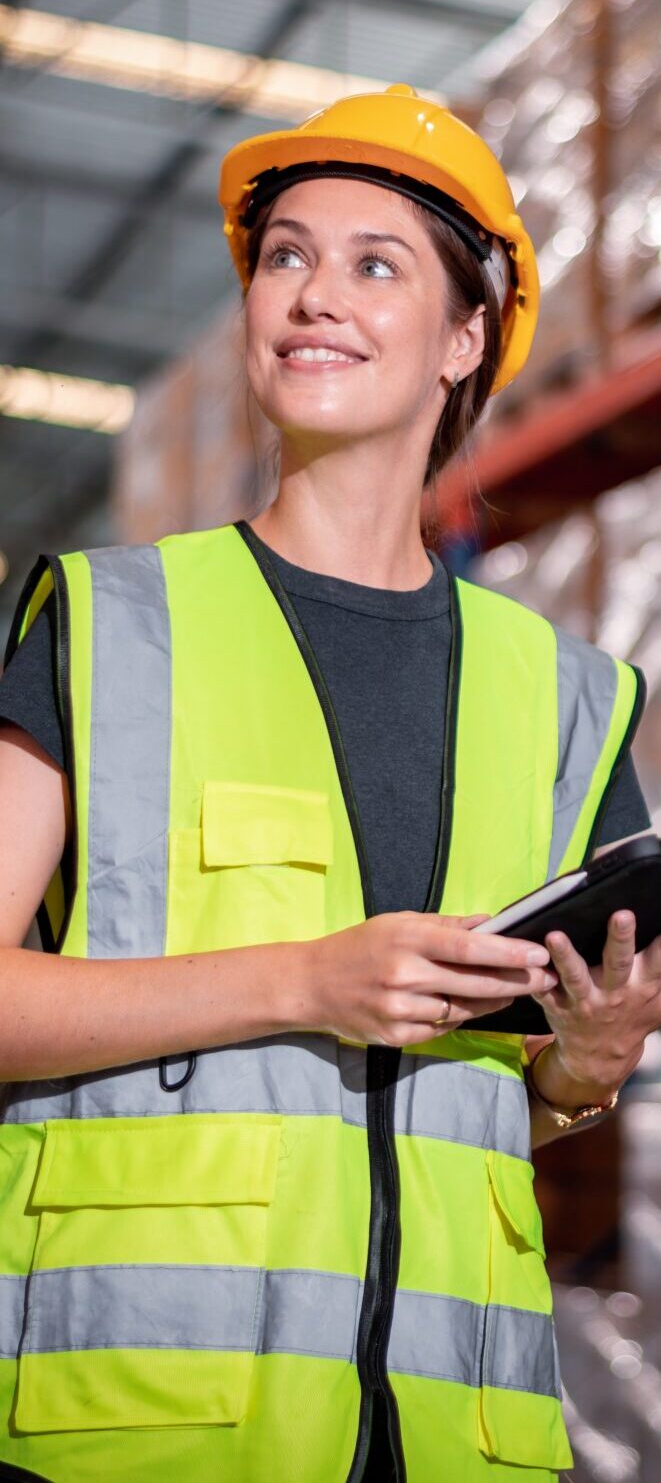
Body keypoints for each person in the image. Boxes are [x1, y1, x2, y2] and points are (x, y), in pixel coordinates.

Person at [0, 83, 659, 1483]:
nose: (312, 295)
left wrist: (575, 1080)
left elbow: (475, 1100)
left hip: (450, 1439)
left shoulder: (569, 699)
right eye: (285, 256)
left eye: (375, 264)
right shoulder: (108, 623)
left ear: (463, 339)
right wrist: (303, 980)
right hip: (145, 1429)